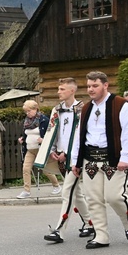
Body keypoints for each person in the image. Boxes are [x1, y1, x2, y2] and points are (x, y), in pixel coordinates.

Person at [72, 71, 128, 249]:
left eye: (95, 86)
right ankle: (101, 235)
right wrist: (75, 162)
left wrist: (125, 157)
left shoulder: (120, 105)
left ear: (105, 85)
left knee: (114, 196)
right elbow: (80, 136)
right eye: (88, 86)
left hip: (113, 159)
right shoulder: (86, 108)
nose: (91, 89)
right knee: (93, 198)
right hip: (90, 159)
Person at [41, 78, 94, 243]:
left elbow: (82, 134)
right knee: (76, 193)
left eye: (62, 89)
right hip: (61, 157)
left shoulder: (83, 109)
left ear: (72, 90)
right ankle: (90, 223)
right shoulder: (56, 109)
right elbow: (52, 130)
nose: (58, 92)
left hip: (76, 158)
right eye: (58, 88)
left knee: (67, 192)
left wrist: (68, 152)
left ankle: (59, 230)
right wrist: (51, 150)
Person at [16, 100, 61, 199]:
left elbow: (50, 134)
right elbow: (26, 133)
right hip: (30, 149)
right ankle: (26, 191)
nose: (27, 113)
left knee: (47, 170)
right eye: (26, 111)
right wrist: (22, 139)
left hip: (42, 149)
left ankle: (56, 186)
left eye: (29, 111)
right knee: (26, 169)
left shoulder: (44, 120)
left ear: (35, 109)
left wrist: (43, 140)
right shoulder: (27, 121)